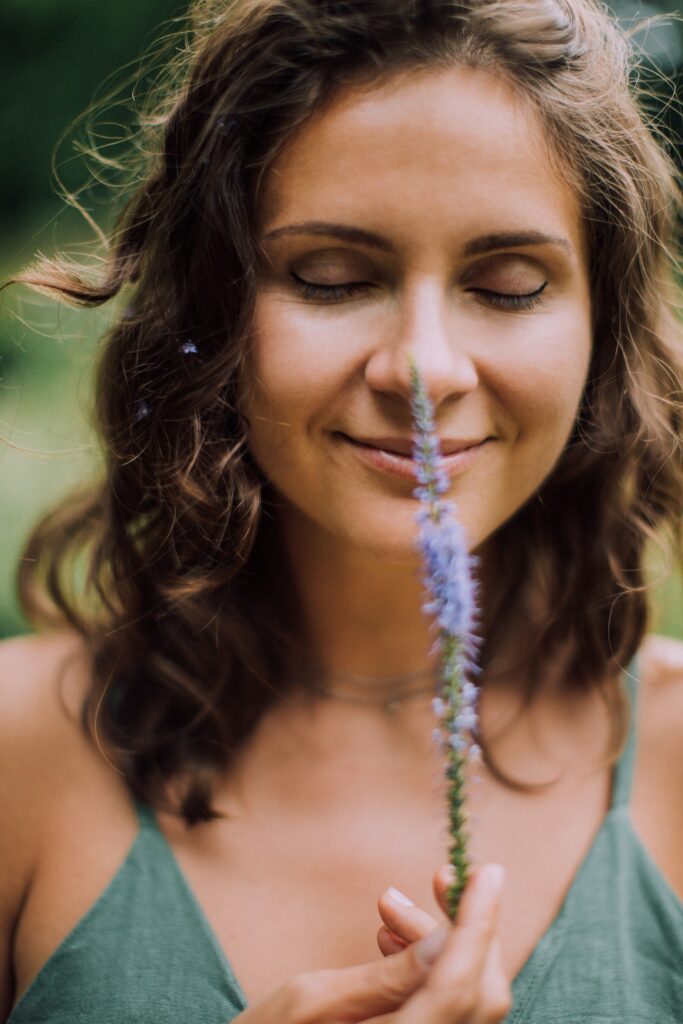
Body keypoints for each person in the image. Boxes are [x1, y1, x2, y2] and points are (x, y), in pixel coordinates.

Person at [1, 0, 681, 1021]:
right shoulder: (22, 748)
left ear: (599, 327)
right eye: (329, 277)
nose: (420, 365)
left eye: (505, 285)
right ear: (211, 304)